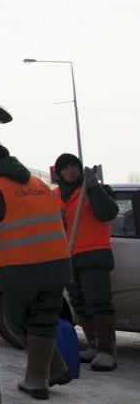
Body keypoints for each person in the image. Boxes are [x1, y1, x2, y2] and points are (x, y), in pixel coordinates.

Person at [0, 144, 72, 399]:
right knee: (44, 320)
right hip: (56, 263)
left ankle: (48, 372)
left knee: (15, 320)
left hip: (20, 266)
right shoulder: (38, 183)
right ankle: (42, 378)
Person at [52, 153, 119, 371]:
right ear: (59, 173)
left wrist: (95, 188)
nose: (71, 171)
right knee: (79, 302)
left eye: (74, 167)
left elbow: (109, 213)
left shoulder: (92, 190)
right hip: (67, 255)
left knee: (98, 301)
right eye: (66, 168)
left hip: (94, 254)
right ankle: (93, 345)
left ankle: (107, 351)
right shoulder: (55, 196)